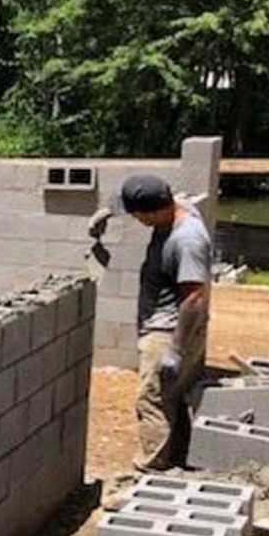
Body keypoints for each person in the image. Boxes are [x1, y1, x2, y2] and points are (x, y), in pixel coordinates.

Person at [88, 175, 212, 471]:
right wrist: (108, 212)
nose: (137, 220)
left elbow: (194, 297)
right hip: (164, 327)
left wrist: (176, 349)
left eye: (138, 215)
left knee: (152, 400)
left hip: (169, 332)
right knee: (174, 396)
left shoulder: (187, 239)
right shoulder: (175, 208)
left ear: (156, 210)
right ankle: (178, 459)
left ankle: (150, 470)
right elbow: (179, 196)